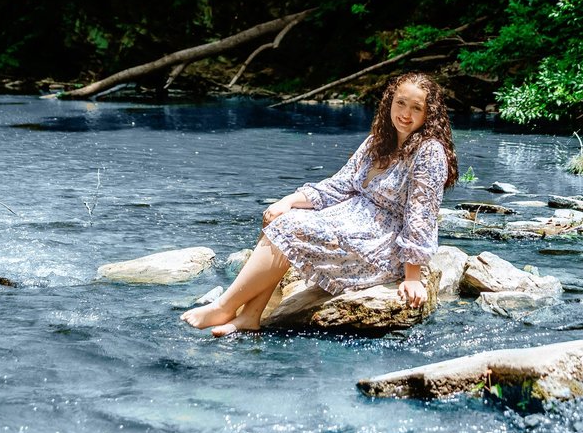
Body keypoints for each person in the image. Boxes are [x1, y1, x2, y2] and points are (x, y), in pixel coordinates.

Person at [182, 72, 459, 337]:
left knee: (290, 227)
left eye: (416, 108)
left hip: (382, 244)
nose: (405, 114)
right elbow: (339, 185)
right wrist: (289, 200)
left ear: (428, 114)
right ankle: (250, 316)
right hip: (351, 222)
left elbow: (421, 215)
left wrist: (412, 276)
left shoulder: (429, 151)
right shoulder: (378, 141)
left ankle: (223, 307)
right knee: (279, 217)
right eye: (400, 102)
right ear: (390, 101)